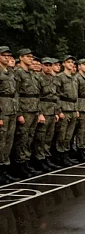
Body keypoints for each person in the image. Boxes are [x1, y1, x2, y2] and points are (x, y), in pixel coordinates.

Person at [13, 48, 43, 177]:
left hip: (33, 109)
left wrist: (39, 111)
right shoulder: (18, 73)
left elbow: (37, 95)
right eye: (28, 56)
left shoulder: (31, 74)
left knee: (29, 138)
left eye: (32, 57)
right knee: (22, 137)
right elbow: (16, 94)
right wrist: (19, 113)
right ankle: (19, 163)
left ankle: (26, 161)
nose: (31, 59)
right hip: (24, 110)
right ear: (21, 58)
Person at [31, 58, 61, 172]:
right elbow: (36, 97)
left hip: (52, 110)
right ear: (42, 66)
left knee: (48, 137)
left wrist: (57, 112)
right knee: (40, 137)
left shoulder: (53, 79)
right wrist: (40, 113)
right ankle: (39, 159)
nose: (48, 67)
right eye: (46, 65)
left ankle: (46, 157)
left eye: (50, 65)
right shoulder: (38, 78)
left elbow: (55, 96)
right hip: (43, 110)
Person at [55, 55, 79, 167]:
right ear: (64, 64)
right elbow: (56, 95)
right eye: (68, 62)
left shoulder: (74, 78)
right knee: (62, 134)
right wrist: (59, 111)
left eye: (72, 62)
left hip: (72, 108)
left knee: (69, 135)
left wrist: (76, 109)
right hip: (64, 108)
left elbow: (76, 96)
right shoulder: (60, 77)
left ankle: (66, 154)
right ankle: (60, 156)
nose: (71, 64)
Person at [0, 46, 19, 183]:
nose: (7, 58)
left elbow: (15, 93)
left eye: (8, 55)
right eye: (4, 55)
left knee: (8, 140)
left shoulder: (10, 72)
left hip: (11, 109)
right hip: (3, 110)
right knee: (1, 141)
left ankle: (5, 168)